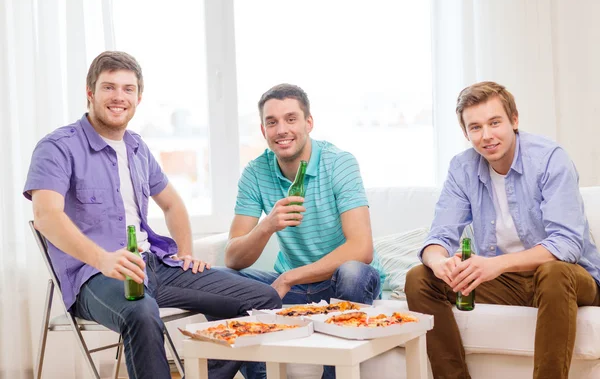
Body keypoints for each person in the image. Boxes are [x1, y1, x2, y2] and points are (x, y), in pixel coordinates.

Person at [24, 51, 281, 379]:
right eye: (109, 87)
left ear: (138, 98)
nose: (119, 97)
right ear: (90, 92)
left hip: (156, 266)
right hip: (95, 277)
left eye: (128, 89)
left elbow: (173, 204)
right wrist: (102, 259)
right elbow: (46, 216)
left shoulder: (136, 147)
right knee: (141, 312)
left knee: (262, 298)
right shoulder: (58, 147)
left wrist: (185, 252)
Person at [405, 81, 600, 379]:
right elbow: (439, 236)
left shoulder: (549, 158)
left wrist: (494, 265)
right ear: (466, 133)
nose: (486, 136)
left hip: (571, 278)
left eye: (494, 123)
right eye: (475, 127)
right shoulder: (462, 168)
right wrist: (439, 262)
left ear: (514, 120)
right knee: (419, 278)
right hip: (505, 282)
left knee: (554, 272)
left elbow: (567, 244)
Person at [224, 83, 385, 378]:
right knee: (219, 281)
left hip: (339, 284)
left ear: (308, 123)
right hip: (294, 291)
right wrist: (268, 226)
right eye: (271, 122)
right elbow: (233, 258)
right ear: (263, 131)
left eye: (290, 119)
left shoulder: (339, 163)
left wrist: (289, 277)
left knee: (353, 271)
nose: (281, 129)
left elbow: (361, 249)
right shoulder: (255, 172)